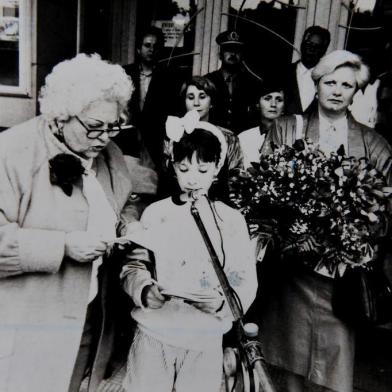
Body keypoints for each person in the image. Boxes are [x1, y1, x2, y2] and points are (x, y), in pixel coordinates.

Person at [0, 53, 143, 392]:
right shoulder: (12, 152)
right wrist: (62, 246)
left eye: (113, 126)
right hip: (25, 327)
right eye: (94, 127)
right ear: (61, 116)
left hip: (88, 319)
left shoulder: (110, 155)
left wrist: (128, 226)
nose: (105, 137)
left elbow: (123, 202)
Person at [258, 50, 392, 392]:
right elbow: (264, 192)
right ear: (315, 84)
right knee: (285, 363)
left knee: (333, 369)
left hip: (341, 280)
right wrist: (296, 231)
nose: (336, 90)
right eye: (329, 82)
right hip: (290, 273)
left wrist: (346, 241)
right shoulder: (287, 128)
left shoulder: (375, 145)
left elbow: (384, 213)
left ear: (356, 91)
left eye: (346, 85)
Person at [120, 118, 257, 392]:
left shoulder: (231, 220)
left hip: (204, 337)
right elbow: (134, 264)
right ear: (173, 166)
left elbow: (246, 279)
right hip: (155, 332)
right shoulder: (156, 213)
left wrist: (222, 305)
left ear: (217, 167)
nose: (192, 178)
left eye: (202, 169)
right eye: (184, 168)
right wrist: (144, 290)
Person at [161, 75, 244, 201]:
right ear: (184, 101)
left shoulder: (228, 138)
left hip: (219, 202)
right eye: (190, 97)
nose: (196, 103)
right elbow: (168, 179)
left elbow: (235, 178)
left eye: (202, 96)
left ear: (211, 102)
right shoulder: (174, 134)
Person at [122, 26, 179, 168]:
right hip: (128, 138)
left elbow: (172, 110)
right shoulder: (125, 73)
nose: (151, 49)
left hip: (156, 141)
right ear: (138, 48)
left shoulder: (169, 76)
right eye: (147, 45)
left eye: (155, 46)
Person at [205, 30, 259, 134]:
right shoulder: (208, 81)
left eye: (237, 50)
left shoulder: (253, 84)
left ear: (242, 55)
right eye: (228, 50)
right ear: (220, 55)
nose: (233, 54)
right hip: (212, 139)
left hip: (243, 142)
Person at [239, 78, 285, 168]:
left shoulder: (290, 135)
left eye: (279, 100)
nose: (273, 104)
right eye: (267, 99)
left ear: (284, 107)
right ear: (257, 104)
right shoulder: (244, 138)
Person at [284, 25, 330, 115]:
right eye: (308, 44)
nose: (311, 49)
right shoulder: (282, 73)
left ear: (324, 51)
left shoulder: (328, 79)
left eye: (316, 46)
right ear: (301, 45)